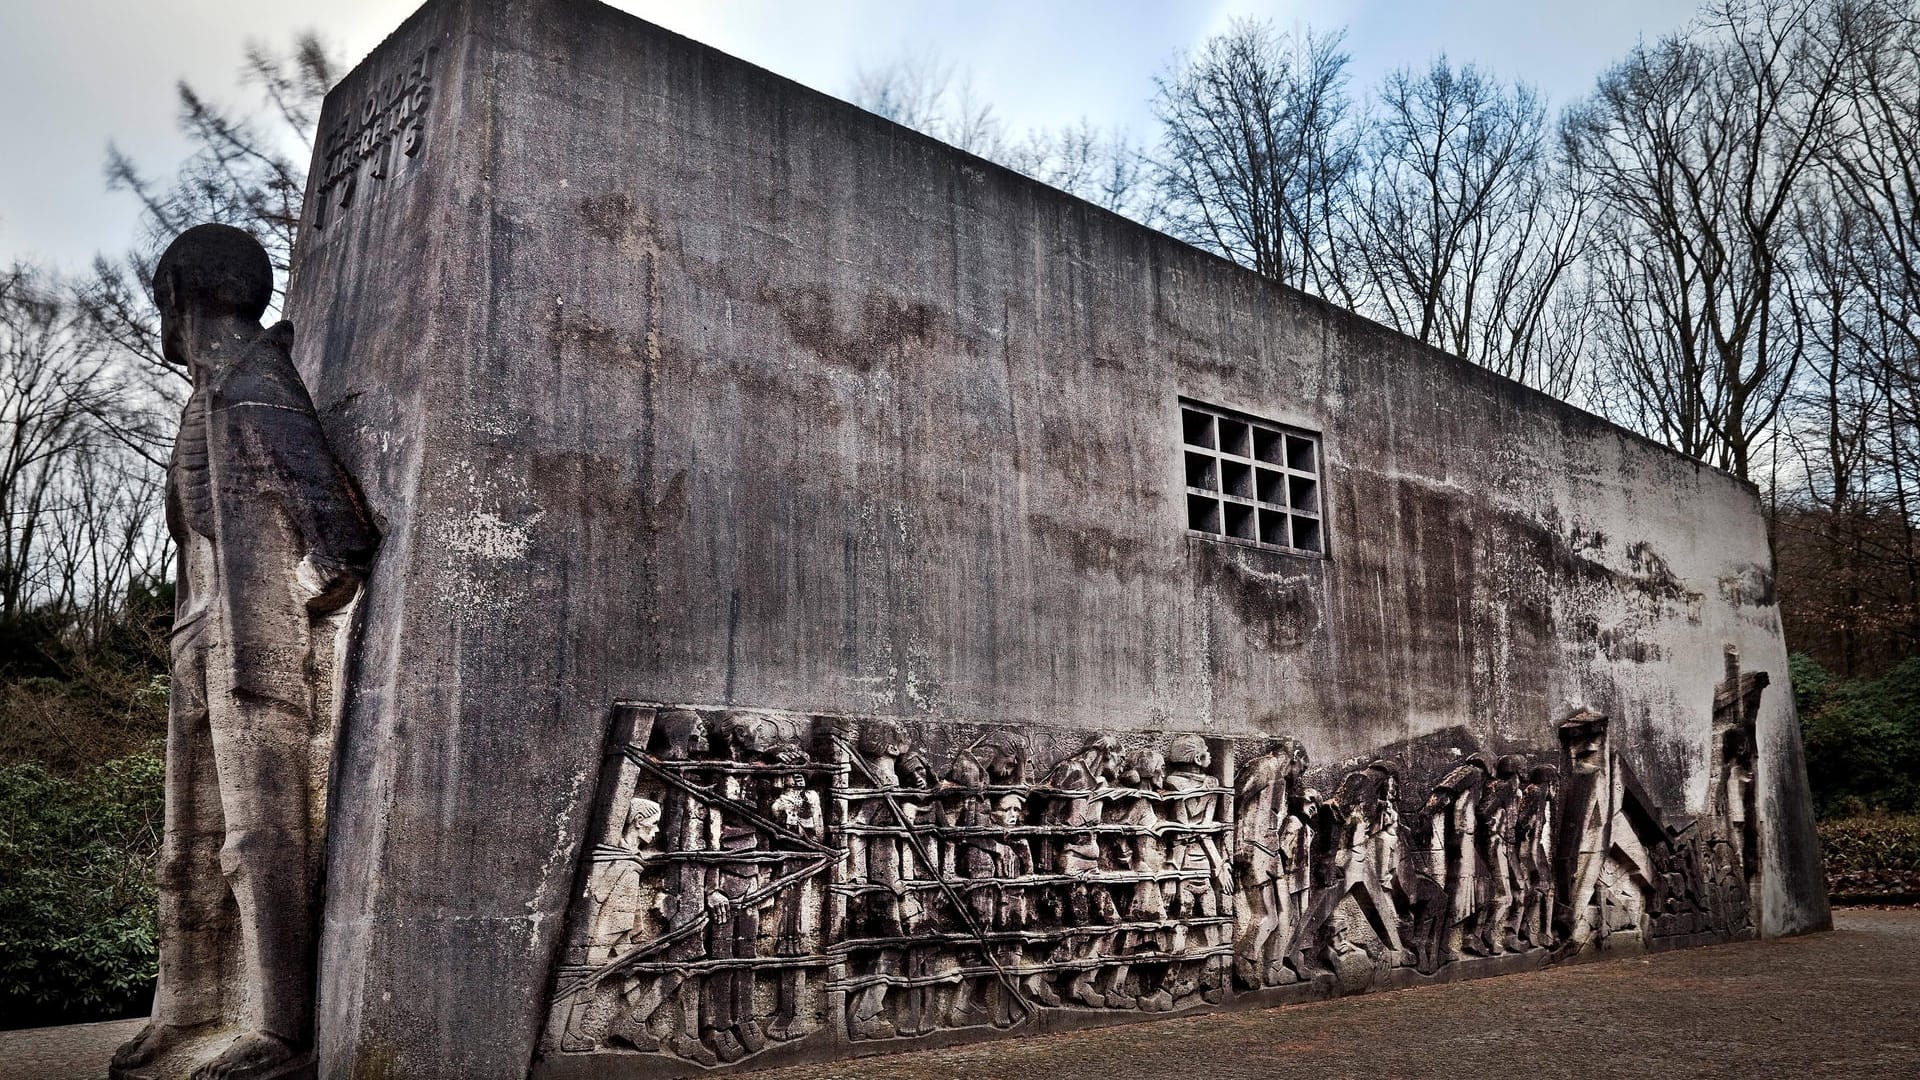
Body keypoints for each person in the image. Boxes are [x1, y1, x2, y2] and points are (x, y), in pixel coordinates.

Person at [113, 224, 378, 1080]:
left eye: (164, 299)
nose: (162, 320)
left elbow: (341, 539)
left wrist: (281, 605)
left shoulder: (262, 385)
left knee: (262, 841)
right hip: (194, 636)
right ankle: (185, 1011)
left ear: (189, 291)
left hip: (251, 644)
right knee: (186, 845)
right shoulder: (208, 399)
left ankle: (278, 1028)